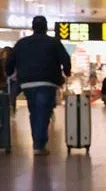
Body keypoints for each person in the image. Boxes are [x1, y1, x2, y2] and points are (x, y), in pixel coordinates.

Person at [4, 16, 72, 155]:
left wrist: (10, 73)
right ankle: (39, 144)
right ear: (46, 27)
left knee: (34, 111)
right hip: (47, 82)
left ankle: (38, 142)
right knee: (43, 112)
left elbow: (10, 61)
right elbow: (65, 59)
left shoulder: (22, 43)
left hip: (28, 83)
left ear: (33, 27)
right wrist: (66, 72)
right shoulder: (53, 42)